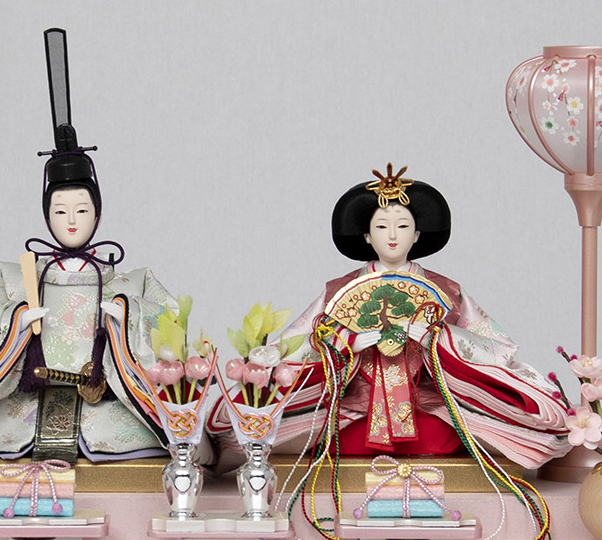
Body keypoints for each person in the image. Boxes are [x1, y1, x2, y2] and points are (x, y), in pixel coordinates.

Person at [0, 30, 177, 462]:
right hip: (26, 399)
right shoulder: (15, 276)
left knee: (145, 440)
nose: (71, 221)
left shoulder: (130, 280)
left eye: (82, 210)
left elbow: (169, 319)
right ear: (47, 216)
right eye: (60, 211)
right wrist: (14, 320)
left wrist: (127, 316)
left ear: (98, 215)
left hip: (104, 401)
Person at [209, 164, 569, 468]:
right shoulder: (338, 290)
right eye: (382, 226)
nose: (392, 235)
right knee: (266, 425)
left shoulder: (446, 290)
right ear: (367, 236)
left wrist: (436, 338)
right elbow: (294, 346)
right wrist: (345, 341)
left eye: (402, 226)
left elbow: (496, 347)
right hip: (356, 407)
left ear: (417, 234)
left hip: (426, 404)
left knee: (460, 432)